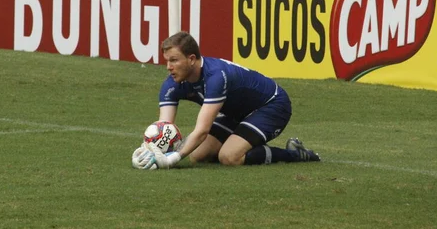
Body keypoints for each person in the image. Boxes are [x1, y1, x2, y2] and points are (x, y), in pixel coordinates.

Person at [132, 31, 320, 170]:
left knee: (229, 157)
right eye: (167, 61)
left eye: (174, 60)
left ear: (191, 59)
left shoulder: (216, 76)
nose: (168, 67)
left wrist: (172, 158)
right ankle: (245, 143)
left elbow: (202, 130)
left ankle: (295, 153)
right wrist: (151, 149)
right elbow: (165, 127)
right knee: (198, 156)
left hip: (271, 105)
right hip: (236, 112)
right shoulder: (172, 84)